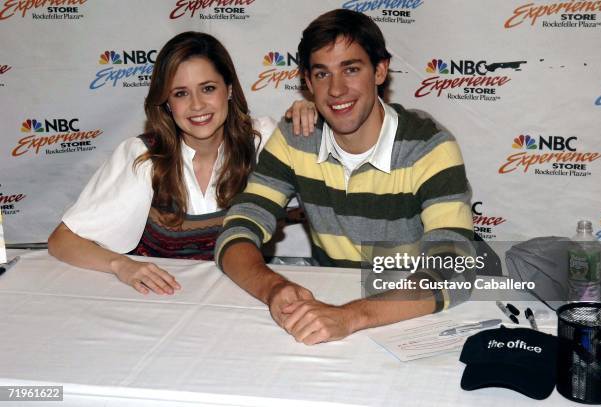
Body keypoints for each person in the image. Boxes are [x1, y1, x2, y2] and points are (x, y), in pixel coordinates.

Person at [215, 10, 475, 345]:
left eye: (351, 69)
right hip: (326, 307)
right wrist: (273, 288)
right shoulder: (296, 138)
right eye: (322, 74)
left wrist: (350, 317)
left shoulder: (428, 146)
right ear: (307, 82)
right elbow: (237, 229)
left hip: (406, 317)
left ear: (380, 71)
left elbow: (455, 270)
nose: (336, 89)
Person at [48, 31, 317, 296]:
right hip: (163, 301)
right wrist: (122, 265)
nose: (197, 105)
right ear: (166, 103)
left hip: (242, 297)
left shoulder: (263, 141)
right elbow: (62, 240)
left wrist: (316, 120)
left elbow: (342, 172)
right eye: (180, 93)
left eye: (208, 88)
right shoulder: (143, 158)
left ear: (230, 89)